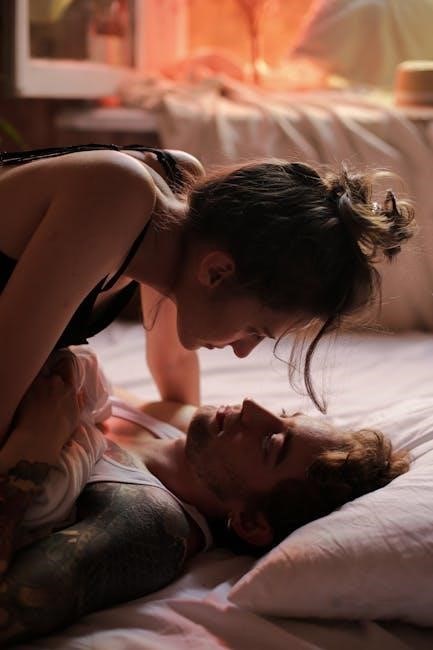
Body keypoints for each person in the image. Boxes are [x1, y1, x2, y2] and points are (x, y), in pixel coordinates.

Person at [0, 143, 415, 443]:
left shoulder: (175, 200)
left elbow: (174, 370)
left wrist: (198, 458)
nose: (243, 351)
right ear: (217, 272)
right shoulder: (114, 195)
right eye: (255, 330)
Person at [0, 347, 410, 644]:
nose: (252, 407)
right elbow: (171, 358)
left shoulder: (150, 522)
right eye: (285, 415)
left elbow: (15, 604)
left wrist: (35, 444)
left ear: (250, 522)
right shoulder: (185, 431)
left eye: (270, 443)